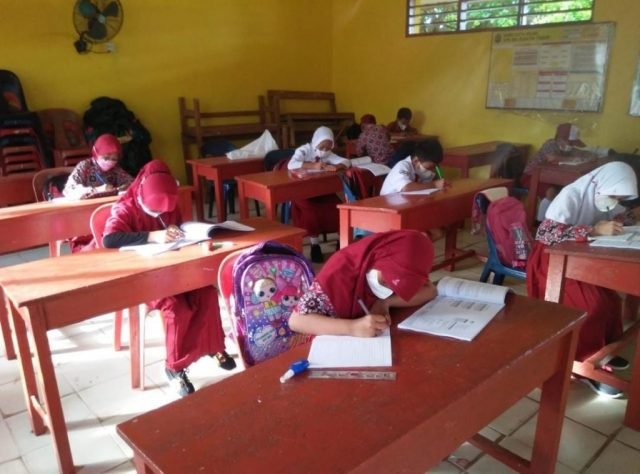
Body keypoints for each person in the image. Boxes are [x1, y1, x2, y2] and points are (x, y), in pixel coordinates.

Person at [102, 160, 236, 397]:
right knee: (177, 307)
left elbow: (176, 225)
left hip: (176, 269)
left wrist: (178, 230)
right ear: (142, 194)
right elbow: (109, 239)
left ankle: (213, 347)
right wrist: (153, 236)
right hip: (147, 278)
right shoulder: (126, 208)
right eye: (154, 210)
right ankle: (175, 367)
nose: (160, 214)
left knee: (206, 293)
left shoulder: (170, 201)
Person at [527, 161, 639, 398]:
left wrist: (628, 218)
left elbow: (613, 218)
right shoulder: (571, 195)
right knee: (591, 305)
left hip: (581, 258)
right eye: (613, 196)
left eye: (619, 198)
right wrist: (593, 230)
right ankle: (585, 365)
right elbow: (546, 233)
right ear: (603, 185)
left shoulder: (602, 196)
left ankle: (603, 352)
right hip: (551, 259)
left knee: (610, 300)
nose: (614, 201)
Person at [288, 230, 437, 336]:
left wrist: (385, 302)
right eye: (386, 282)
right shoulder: (339, 271)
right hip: (330, 342)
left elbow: (430, 290)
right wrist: (352, 327)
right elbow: (296, 321)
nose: (390, 289)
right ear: (378, 258)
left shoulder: (406, 268)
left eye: (397, 289)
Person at [287, 126, 351, 263]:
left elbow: (346, 161)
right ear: (316, 142)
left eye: (328, 147)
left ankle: (341, 241)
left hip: (321, 192)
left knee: (338, 208)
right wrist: (313, 166)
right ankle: (314, 244)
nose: (324, 150)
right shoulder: (304, 150)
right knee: (312, 212)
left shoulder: (328, 154)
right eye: (322, 147)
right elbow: (291, 164)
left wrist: (337, 166)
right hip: (302, 192)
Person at [62, 133, 134, 253]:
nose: (110, 162)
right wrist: (97, 190)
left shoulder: (115, 170)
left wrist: (118, 189)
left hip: (106, 215)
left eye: (114, 159)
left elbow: (132, 184)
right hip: (84, 216)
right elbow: (69, 189)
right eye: (106, 157)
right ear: (96, 153)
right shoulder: (85, 167)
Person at [380, 139, 447, 195]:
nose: (432, 170)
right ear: (416, 161)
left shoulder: (420, 171)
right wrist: (434, 184)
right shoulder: (402, 165)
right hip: (386, 203)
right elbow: (406, 187)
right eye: (429, 167)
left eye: (435, 167)